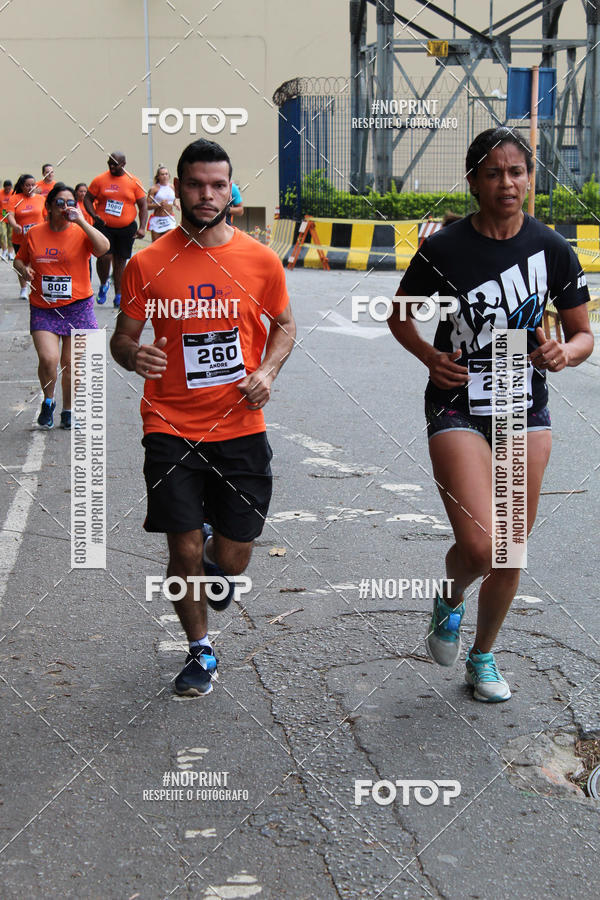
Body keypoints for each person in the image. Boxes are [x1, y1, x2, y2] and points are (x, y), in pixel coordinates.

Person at [388, 126, 593, 702]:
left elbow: (582, 336)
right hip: (458, 403)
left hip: (522, 407)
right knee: (480, 545)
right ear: (474, 181)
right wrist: (430, 357)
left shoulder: (553, 249)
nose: (508, 183)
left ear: (530, 178)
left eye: (518, 172)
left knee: (510, 546)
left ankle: (483, 657)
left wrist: (563, 352)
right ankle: (449, 600)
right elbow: (400, 317)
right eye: (495, 173)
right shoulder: (444, 249)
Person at [110, 139, 295, 697]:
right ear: (179, 189)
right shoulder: (148, 262)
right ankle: (200, 649)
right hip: (168, 423)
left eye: (218, 185)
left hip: (240, 425)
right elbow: (123, 337)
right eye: (195, 184)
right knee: (183, 549)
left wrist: (267, 372)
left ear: (231, 190)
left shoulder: (259, 260)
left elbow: (285, 326)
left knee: (231, 561)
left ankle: (218, 553)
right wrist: (130, 354)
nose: (207, 194)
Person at [14, 182, 109, 429]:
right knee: (48, 358)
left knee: (71, 364)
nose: (65, 207)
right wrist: (24, 269)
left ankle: (68, 411)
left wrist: (82, 222)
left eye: (70, 203)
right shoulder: (34, 233)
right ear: (48, 207)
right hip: (44, 307)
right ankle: (48, 401)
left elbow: (103, 248)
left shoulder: (81, 231)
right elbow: (19, 260)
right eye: (59, 203)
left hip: (78, 306)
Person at [84, 151, 147, 307]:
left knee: (120, 261)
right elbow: (87, 198)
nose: (111, 166)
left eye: (115, 164)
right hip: (104, 225)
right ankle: (104, 284)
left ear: (123, 164)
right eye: (109, 163)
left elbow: (143, 205)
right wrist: (93, 214)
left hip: (126, 227)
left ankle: (119, 294)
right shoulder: (100, 180)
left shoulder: (133, 181)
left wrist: (142, 227)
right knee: (104, 256)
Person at [6, 174, 46, 298]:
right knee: (21, 263)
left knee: (37, 262)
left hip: (38, 238)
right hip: (20, 238)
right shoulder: (15, 199)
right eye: (27, 185)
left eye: (32, 185)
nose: (30, 187)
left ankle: (38, 287)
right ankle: (23, 288)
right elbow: (10, 215)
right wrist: (15, 225)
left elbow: (47, 216)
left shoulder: (41, 199)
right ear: (22, 186)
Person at [147, 165, 178, 241]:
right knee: (156, 245)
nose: (165, 176)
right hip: (157, 219)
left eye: (166, 174)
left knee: (170, 243)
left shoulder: (172, 187)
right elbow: (147, 206)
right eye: (162, 174)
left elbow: (174, 199)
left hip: (169, 219)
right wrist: (158, 205)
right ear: (158, 176)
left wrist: (177, 204)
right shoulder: (154, 189)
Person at [1, 180, 15, 260]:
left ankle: (10, 253)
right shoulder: (0, 194)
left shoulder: (14, 194)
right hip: (2, 218)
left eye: (9, 189)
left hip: (11, 217)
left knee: (11, 236)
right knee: (2, 234)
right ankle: (4, 250)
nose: (8, 191)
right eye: (6, 189)